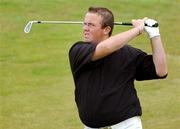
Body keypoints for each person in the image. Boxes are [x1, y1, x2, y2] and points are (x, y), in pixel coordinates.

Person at [69, 7, 168, 129]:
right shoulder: (78, 51)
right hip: (92, 126)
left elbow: (161, 70)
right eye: (85, 24)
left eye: (91, 25)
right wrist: (138, 29)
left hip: (127, 124)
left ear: (106, 29)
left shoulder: (129, 54)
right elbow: (106, 48)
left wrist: (155, 34)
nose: (85, 28)